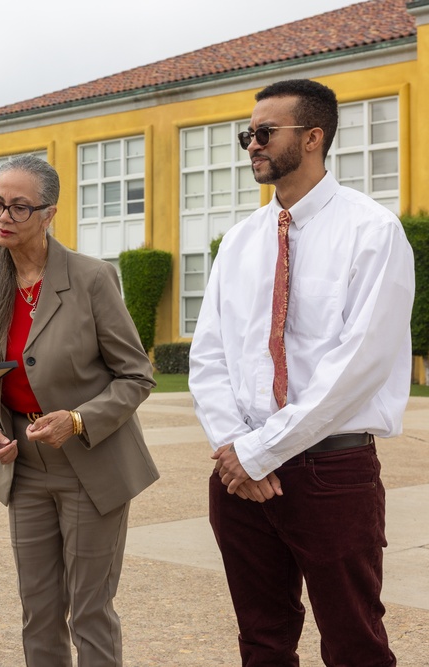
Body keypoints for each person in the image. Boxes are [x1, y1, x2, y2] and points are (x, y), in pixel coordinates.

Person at [189, 79, 414, 666]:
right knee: (261, 640)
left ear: (313, 137)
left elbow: (357, 367)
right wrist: (237, 449)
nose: (251, 146)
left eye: (265, 133)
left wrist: (262, 450)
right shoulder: (238, 243)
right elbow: (208, 357)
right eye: (248, 134)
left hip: (332, 471)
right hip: (239, 475)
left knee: (354, 642)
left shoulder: (373, 232)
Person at [0, 154, 159, 666]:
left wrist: (76, 420)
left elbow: (136, 376)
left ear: (49, 213)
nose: (3, 217)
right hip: (24, 469)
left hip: (90, 468)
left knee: (90, 611)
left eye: (19, 207)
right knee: (39, 610)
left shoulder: (92, 278)